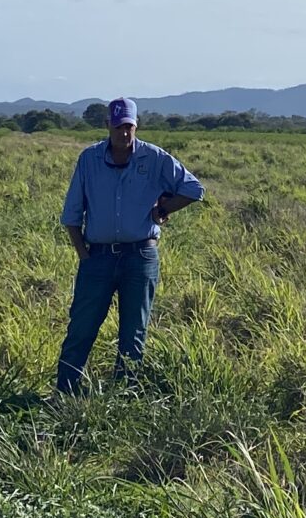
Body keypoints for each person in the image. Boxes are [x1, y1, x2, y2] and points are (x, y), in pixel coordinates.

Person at [54, 98, 204, 393]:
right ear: (107, 125)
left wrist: (165, 207)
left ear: (136, 126)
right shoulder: (89, 159)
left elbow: (194, 189)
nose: (123, 133)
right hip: (98, 257)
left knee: (134, 331)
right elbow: (72, 214)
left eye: (128, 126)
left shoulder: (155, 158)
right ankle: (65, 393)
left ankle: (123, 398)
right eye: (118, 126)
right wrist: (84, 256)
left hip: (141, 256)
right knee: (81, 328)